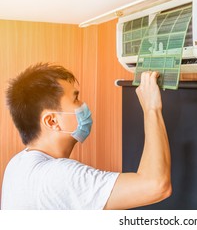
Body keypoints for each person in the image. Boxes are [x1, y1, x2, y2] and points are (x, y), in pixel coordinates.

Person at [1, 63, 171, 209]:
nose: (84, 105)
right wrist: (151, 108)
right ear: (52, 121)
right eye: (76, 99)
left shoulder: (17, 165)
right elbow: (156, 186)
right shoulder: (58, 175)